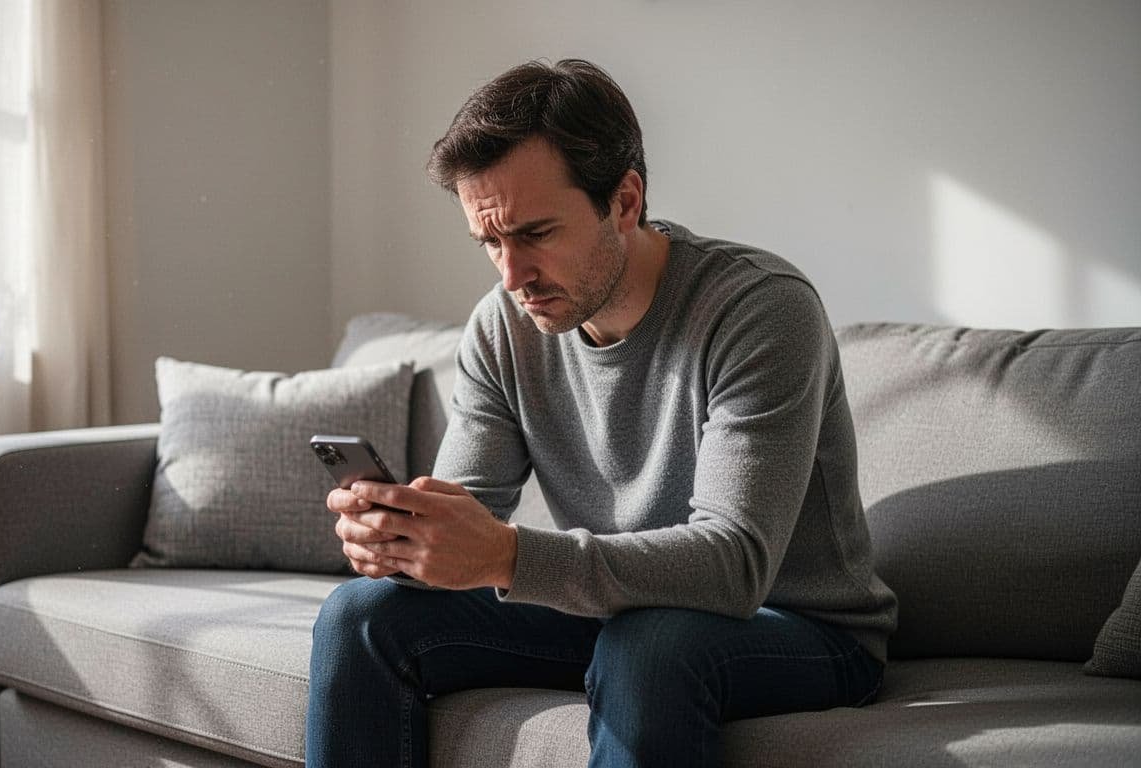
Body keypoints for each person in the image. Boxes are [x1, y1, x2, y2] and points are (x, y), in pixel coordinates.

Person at [306, 58, 897, 768]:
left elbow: (734, 565)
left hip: (796, 625)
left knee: (651, 645)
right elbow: (466, 515)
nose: (510, 276)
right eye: (490, 242)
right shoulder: (503, 327)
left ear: (624, 201)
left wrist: (506, 555)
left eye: (535, 233)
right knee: (361, 615)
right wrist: (408, 543)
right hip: (617, 612)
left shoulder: (760, 310)